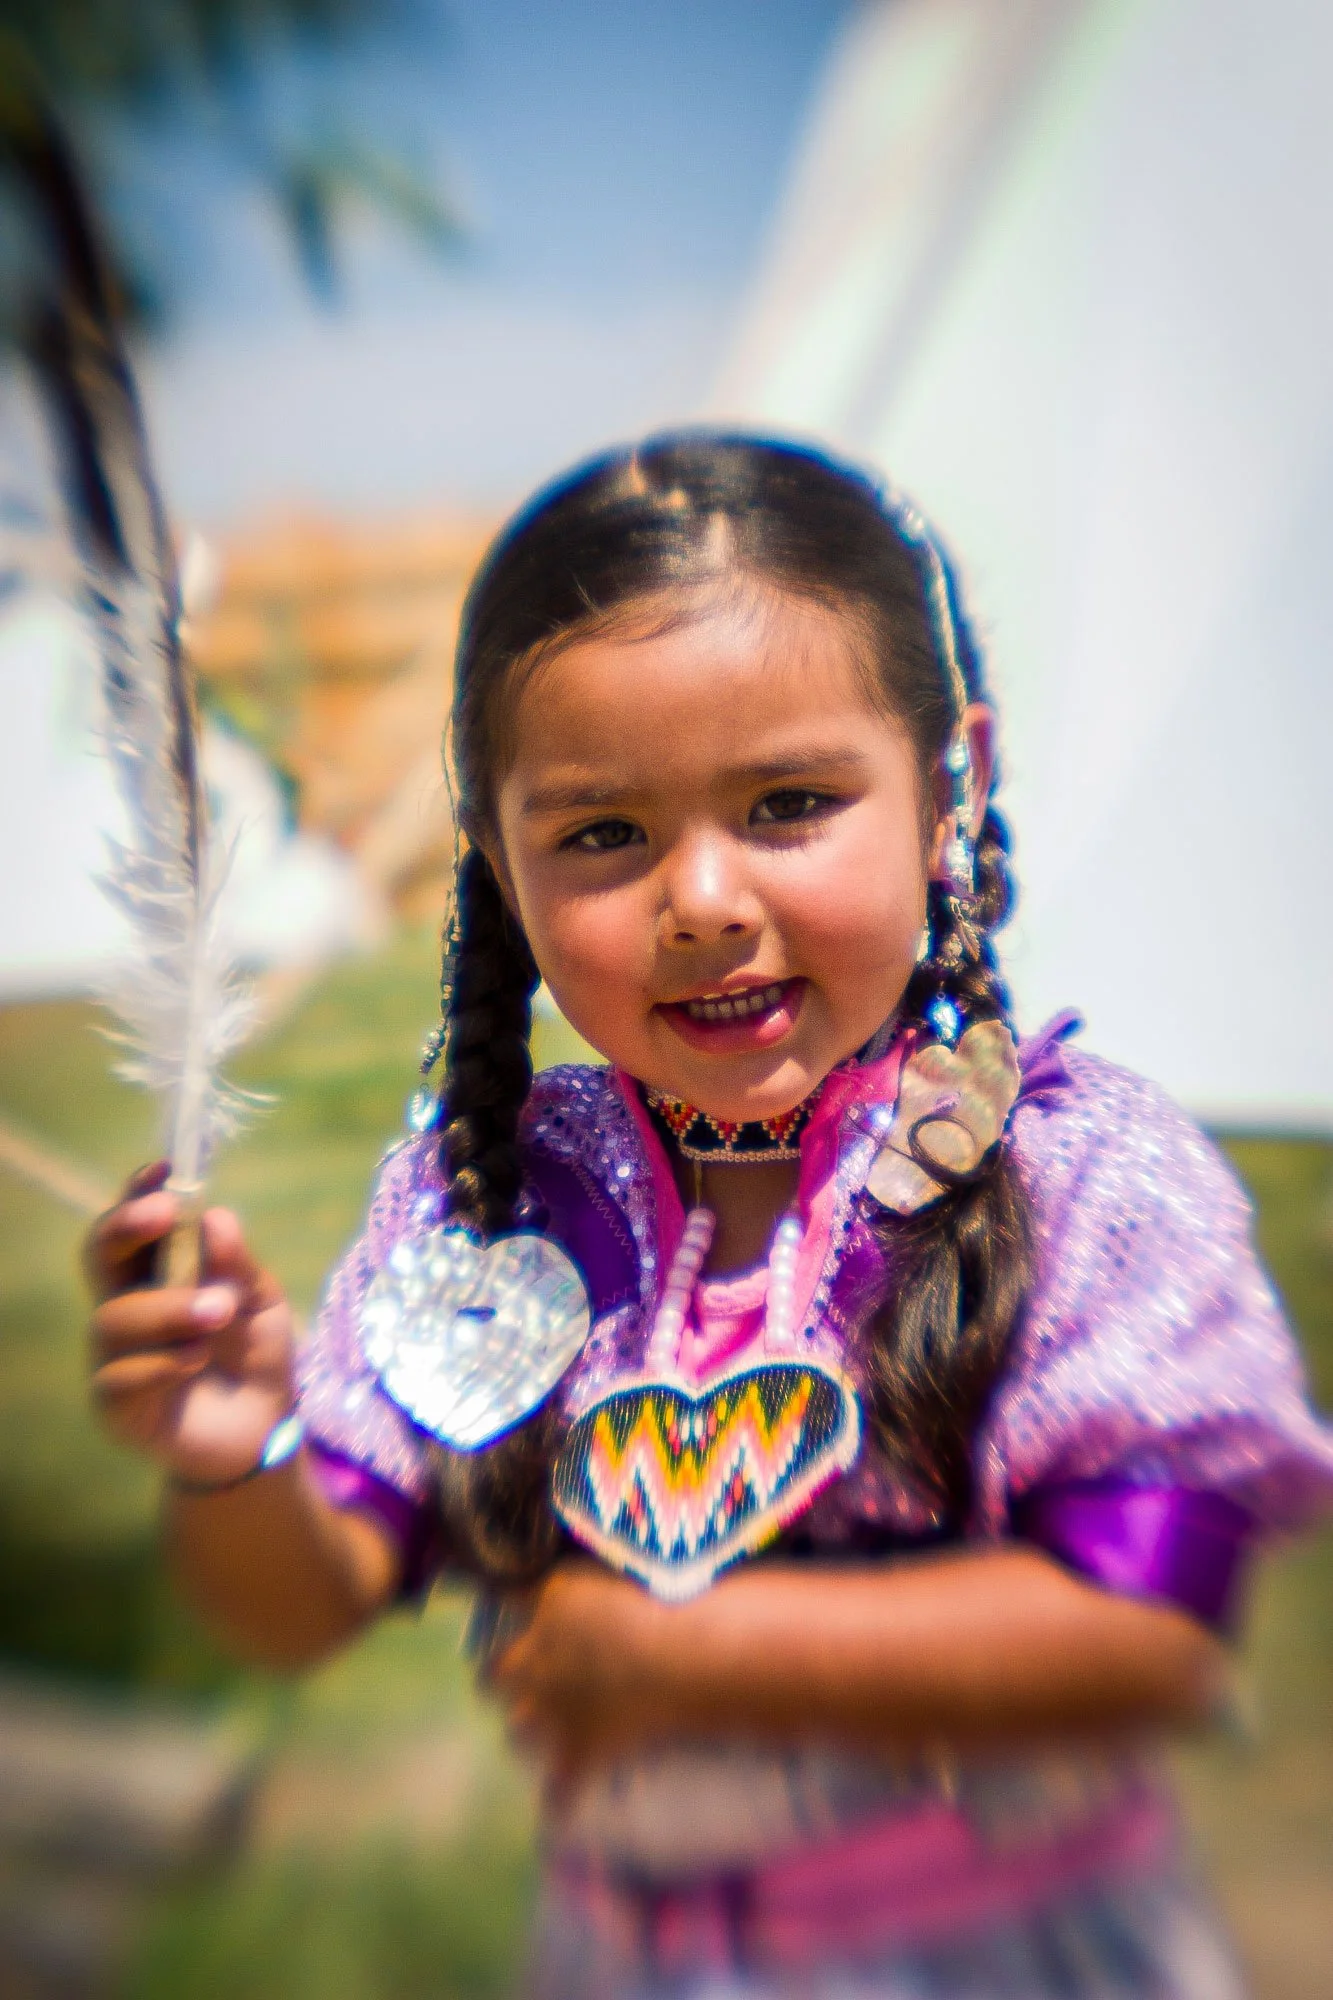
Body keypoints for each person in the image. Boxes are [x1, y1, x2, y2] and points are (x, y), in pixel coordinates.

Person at [86, 435, 1333, 1997]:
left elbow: (1148, 1633)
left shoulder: (1076, 1176)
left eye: (791, 802)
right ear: (496, 853)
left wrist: (678, 1656)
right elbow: (298, 1598)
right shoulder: (490, 1199)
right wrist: (231, 1458)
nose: (704, 901)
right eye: (604, 834)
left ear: (955, 787)